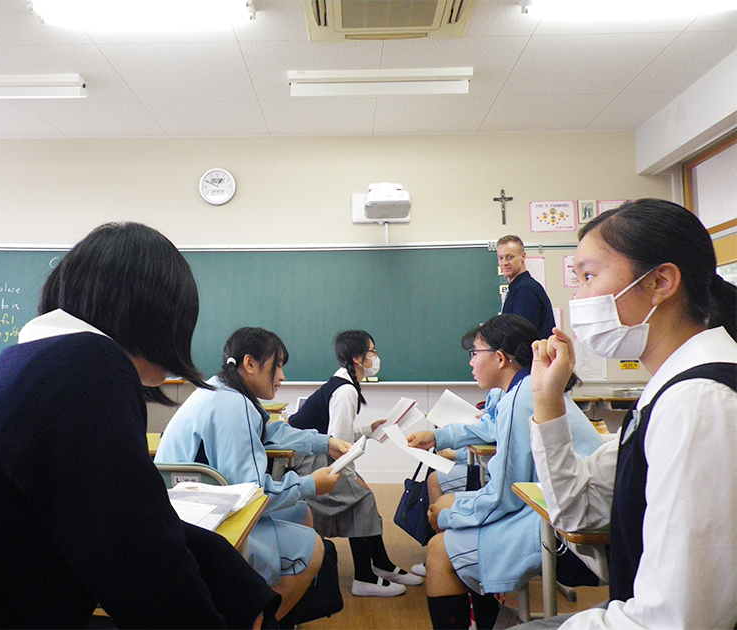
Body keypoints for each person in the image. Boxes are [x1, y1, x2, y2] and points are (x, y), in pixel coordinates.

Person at [0, 222, 280, 629]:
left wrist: (234, 581)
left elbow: (133, 522)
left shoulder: (33, 361)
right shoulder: (91, 367)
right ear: (157, 314)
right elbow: (140, 563)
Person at [527, 199, 737, 629]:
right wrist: (547, 399)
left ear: (661, 281)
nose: (579, 296)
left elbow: (677, 619)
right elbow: (578, 511)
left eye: (588, 277)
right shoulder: (667, 390)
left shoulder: (698, 399)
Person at [406, 314, 605, 630]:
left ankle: (491, 619)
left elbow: (503, 495)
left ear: (499, 358)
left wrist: (448, 515)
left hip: (571, 528)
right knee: (451, 520)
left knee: (439, 549)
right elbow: (505, 472)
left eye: (474, 354)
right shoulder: (525, 387)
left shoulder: (522, 395)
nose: (470, 363)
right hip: (566, 509)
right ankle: (493, 620)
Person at [155, 327, 350, 620]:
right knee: (314, 548)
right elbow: (253, 493)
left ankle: (258, 599)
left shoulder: (219, 389)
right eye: (278, 365)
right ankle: (256, 620)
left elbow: (269, 430)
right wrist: (311, 483)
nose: (282, 377)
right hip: (206, 525)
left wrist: (325, 442)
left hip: (185, 512)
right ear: (250, 364)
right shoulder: (233, 404)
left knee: (301, 512)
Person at [288, 330, 422, 597]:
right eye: (372, 352)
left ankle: (380, 565)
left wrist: (368, 431)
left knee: (362, 496)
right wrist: (353, 476)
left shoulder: (344, 383)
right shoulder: (346, 389)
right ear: (358, 358)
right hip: (307, 460)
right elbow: (337, 445)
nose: (376, 357)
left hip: (313, 452)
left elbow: (337, 437)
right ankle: (365, 576)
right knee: (362, 498)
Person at [497, 235, 555, 339]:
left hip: (532, 355)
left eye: (510, 257)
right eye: (501, 258)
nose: (504, 263)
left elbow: (521, 335)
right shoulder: (515, 289)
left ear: (523, 257)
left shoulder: (526, 289)